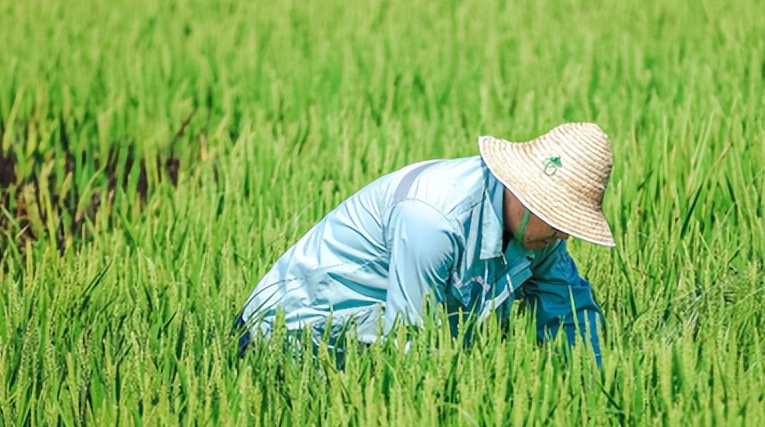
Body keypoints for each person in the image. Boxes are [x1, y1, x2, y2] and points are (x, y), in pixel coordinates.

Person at [236, 122, 616, 367]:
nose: (565, 235)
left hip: (359, 356)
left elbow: (570, 315)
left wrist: (594, 395)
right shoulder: (433, 219)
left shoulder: (539, 235)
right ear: (525, 194)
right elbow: (410, 347)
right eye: (559, 218)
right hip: (286, 338)